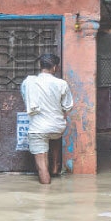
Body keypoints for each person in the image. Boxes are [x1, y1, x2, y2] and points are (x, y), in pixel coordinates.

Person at [21, 53, 74, 185]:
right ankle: (55, 168)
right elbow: (68, 107)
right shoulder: (62, 84)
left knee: (41, 168)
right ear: (55, 68)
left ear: (40, 66)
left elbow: (26, 100)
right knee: (53, 135)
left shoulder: (29, 82)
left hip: (38, 129)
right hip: (57, 128)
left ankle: (46, 196)